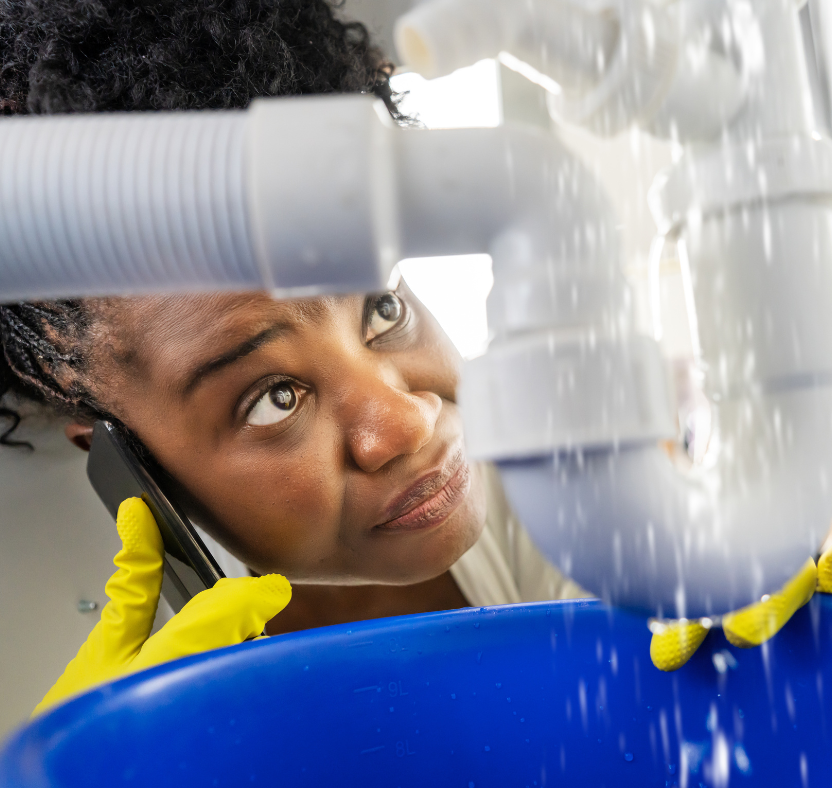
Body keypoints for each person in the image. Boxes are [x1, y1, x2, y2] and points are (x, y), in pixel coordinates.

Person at [0, 0, 588, 713]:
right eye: (275, 398)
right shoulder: (128, 687)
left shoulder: (559, 487)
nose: (406, 421)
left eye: (383, 308)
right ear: (123, 454)